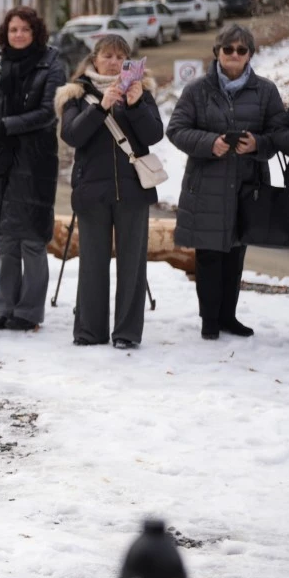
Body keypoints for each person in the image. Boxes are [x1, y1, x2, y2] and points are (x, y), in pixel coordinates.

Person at [166, 24, 289, 340]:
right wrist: (211, 143)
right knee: (208, 255)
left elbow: (279, 134)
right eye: (228, 49)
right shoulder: (196, 90)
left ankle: (229, 317)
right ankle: (209, 320)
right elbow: (177, 129)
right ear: (217, 52)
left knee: (236, 254)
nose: (234, 55)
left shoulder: (265, 91)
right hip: (205, 184)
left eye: (241, 50)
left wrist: (258, 145)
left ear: (250, 54)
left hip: (248, 186)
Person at [58, 35, 164, 349]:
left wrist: (133, 106)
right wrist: (101, 107)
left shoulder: (141, 91)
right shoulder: (76, 92)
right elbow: (73, 135)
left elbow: (154, 134)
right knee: (92, 263)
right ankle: (90, 331)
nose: (114, 62)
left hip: (133, 191)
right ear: (95, 59)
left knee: (132, 264)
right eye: (108, 55)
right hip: (92, 192)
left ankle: (127, 333)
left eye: (120, 56)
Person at [0, 6, 66, 332]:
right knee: (5, 241)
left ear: (35, 32)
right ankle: (5, 308)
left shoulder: (52, 63)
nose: (18, 35)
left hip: (35, 160)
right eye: (13, 29)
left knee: (31, 240)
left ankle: (28, 313)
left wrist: (8, 126)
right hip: (1, 161)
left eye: (24, 30)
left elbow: (48, 111)